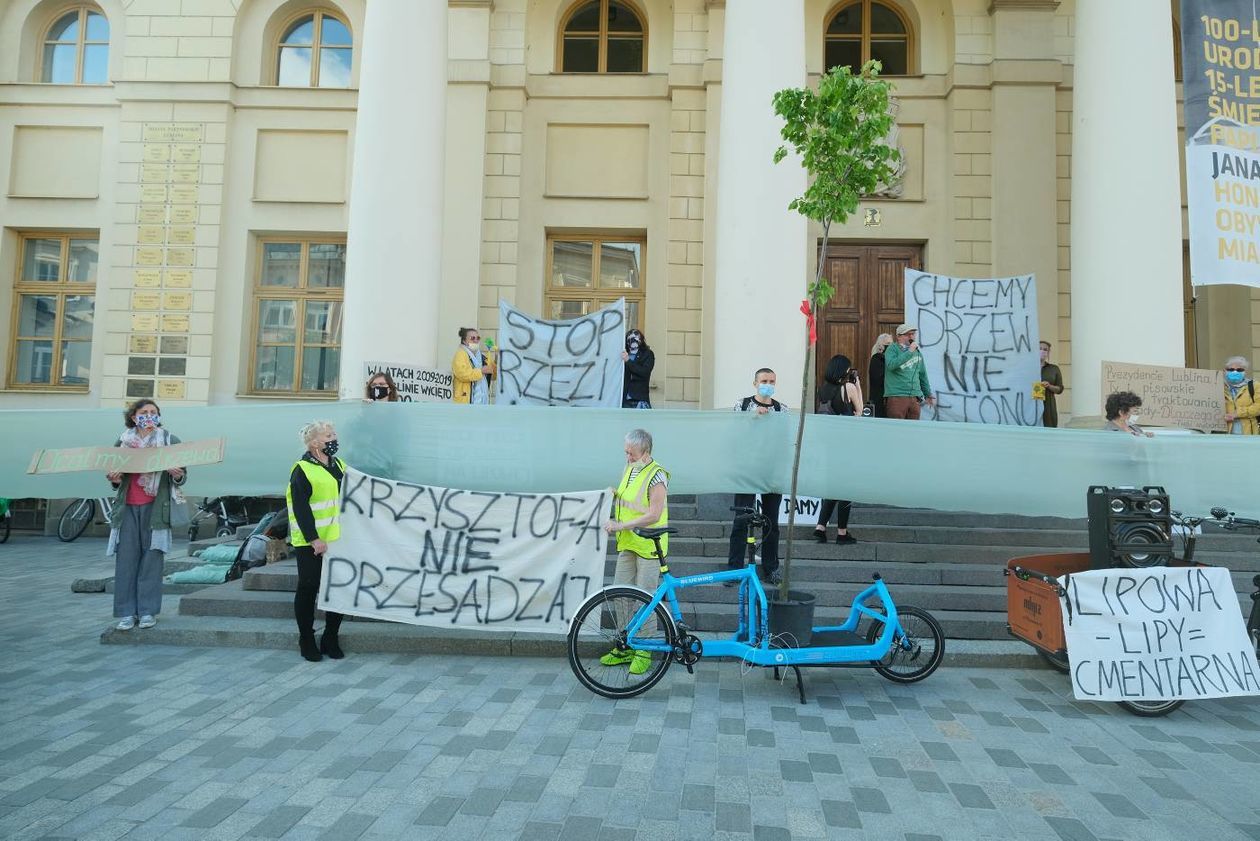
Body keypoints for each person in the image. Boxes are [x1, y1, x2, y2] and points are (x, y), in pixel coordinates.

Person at [105, 400, 188, 631]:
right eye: (144, 412)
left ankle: (148, 611)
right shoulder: (122, 442)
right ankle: (126, 613)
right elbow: (115, 480)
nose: (149, 416)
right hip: (128, 508)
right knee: (126, 561)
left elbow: (182, 477)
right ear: (133, 417)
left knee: (151, 561)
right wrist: (114, 479)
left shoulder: (170, 441)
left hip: (156, 509)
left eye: (153, 412)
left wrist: (177, 474)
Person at [600, 429, 669, 676]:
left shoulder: (657, 475)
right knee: (620, 593)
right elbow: (630, 502)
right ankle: (626, 644)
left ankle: (645, 649)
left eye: (632, 453)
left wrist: (619, 525)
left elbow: (653, 514)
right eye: (626, 452)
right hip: (628, 542)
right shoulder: (630, 468)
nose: (627, 457)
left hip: (649, 545)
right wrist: (614, 494)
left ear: (645, 453)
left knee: (646, 598)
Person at [287, 421, 348, 661]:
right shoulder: (302, 468)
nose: (334, 438)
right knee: (308, 587)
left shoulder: (339, 465)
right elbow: (300, 507)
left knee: (337, 589)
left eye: (334, 433)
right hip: (311, 542)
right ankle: (306, 638)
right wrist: (314, 539)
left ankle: (331, 637)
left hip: (337, 538)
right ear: (314, 443)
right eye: (328, 435)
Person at [729, 368, 787, 585]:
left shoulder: (781, 409)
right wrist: (752, 418)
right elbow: (733, 434)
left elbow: (785, 439)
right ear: (755, 383)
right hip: (747, 469)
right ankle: (734, 568)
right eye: (764, 380)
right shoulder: (743, 405)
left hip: (772, 471)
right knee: (741, 519)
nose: (768, 384)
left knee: (771, 522)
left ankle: (771, 567)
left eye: (772, 381)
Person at [813, 355, 863, 546]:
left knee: (833, 487)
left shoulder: (822, 390)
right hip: (847, 444)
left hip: (829, 445)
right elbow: (859, 411)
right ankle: (842, 532)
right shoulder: (848, 387)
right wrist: (857, 384)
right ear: (843, 370)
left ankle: (820, 527)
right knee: (846, 488)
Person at [883, 324, 935, 420]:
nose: (911, 337)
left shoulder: (917, 352)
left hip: (914, 397)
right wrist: (909, 352)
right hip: (897, 396)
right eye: (908, 334)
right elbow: (891, 365)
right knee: (897, 429)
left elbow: (922, 375)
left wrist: (927, 393)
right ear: (899, 336)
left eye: (913, 334)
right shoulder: (892, 349)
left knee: (912, 430)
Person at [452, 327, 494, 404]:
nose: (475, 340)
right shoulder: (460, 354)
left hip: (480, 401)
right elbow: (462, 374)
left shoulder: (482, 357)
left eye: (478, 338)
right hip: (465, 401)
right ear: (464, 341)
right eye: (472, 338)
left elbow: (493, 375)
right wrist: (481, 371)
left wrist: (497, 362)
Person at [1223, 356, 1258, 435]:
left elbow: (1258, 406)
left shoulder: (1254, 386)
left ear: (1245, 372)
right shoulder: (1219, 387)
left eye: (1239, 370)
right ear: (1225, 371)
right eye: (1231, 369)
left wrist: (1237, 413)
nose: (1235, 372)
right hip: (1224, 434)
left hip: (1248, 433)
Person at [622, 329, 655, 409]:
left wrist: (628, 361)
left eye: (635, 339)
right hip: (624, 401)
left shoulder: (647, 354)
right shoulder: (623, 355)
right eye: (630, 340)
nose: (633, 342)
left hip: (640, 400)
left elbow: (644, 372)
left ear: (641, 340)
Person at [1039, 341, 1065, 428]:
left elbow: (1060, 389)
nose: (1042, 351)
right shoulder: (1028, 368)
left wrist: (1049, 386)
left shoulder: (1054, 369)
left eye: (1045, 350)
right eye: (1039, 349)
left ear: (1048, 353)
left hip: (1048, 407)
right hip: (1031, 406)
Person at [868, 333, 893, 418]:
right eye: (887, 344)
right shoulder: (877, 359)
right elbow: (878, 379)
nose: (890, 347)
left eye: (891, 344)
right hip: (880, 399)